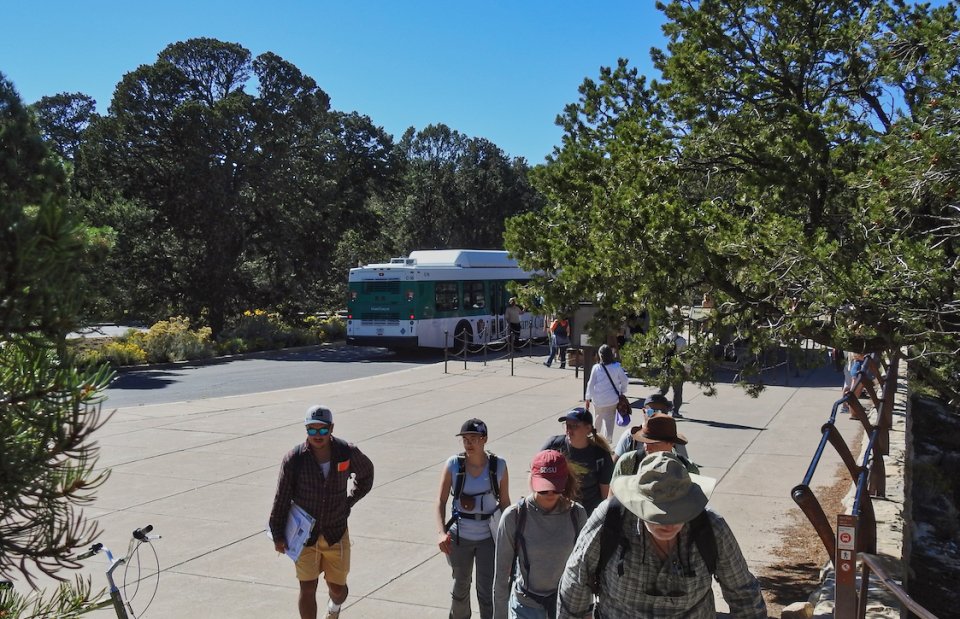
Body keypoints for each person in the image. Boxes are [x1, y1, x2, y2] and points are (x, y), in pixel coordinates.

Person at [557, 452, 767, 619]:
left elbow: (742, 592)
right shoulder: (611, 519)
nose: (669, 522)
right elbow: (576, 578)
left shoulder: (711, 527)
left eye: (678, 511)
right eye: (658, 514)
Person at [269, 405, 375, 619]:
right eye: (312, 430)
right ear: (306, 429)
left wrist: (349, 501)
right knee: (307, 588)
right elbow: (281, 497)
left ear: (331, 428)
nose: (317, 435)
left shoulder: (347, 452)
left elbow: (366, 475)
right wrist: (277, 534)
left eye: (322, 430)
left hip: (336, 532)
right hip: (304, 535)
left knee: (337, 589)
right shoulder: (294, 459)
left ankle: (334, 608)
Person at [493, 450, 587, 619]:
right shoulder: (514, 516)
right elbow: (501, 575)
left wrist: (586, 610)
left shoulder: (577, 514)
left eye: (556, 487)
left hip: (565, 606)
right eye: (544, 488)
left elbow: (586, 568)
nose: (550, 493)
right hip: (525, 607)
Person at [437, 419, 511, 619]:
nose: (468, 444)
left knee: (487, 590)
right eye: (464, 439)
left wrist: (511, 540)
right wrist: (441, 533)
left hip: (488, 537)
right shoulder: (453, 464)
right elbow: (441, 501)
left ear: (485, 439)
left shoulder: (499, 465)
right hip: (460, 536)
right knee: (460, 586)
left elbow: (505, 503)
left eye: (474, 439)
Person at [540, 408, 614, 516]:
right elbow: (534, 474)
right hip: (556, 513)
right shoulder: (554, 445)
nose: (568, 430)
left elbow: (605, 492)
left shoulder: (600, 455)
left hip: (588, 515)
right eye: (567, 425)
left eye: (573, 426)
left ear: (588, 428)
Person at [610, 413, 699, 483]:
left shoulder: (687, 468)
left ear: (671, 443)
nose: (647, 448)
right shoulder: (628, 462)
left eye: (654, 444)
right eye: (645, 442)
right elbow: (612, 499)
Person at [584, 344, 629, 442]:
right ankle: (607, 442)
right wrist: (622, 391)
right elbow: (625, 380)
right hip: (612, 399)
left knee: (597, 419)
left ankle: (595, 439)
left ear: (600, 356)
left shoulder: (596, 368)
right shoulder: (617, 366)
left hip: (598, 399)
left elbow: (591, 384)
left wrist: (588, 398)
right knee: (609, 422)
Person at [612, 394, 672, 462]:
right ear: (644, 411)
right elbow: (615, 465)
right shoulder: (630, 436)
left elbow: (683, 464)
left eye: (662, 412)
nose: (657, 415)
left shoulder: (672, 437)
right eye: (652, 411)